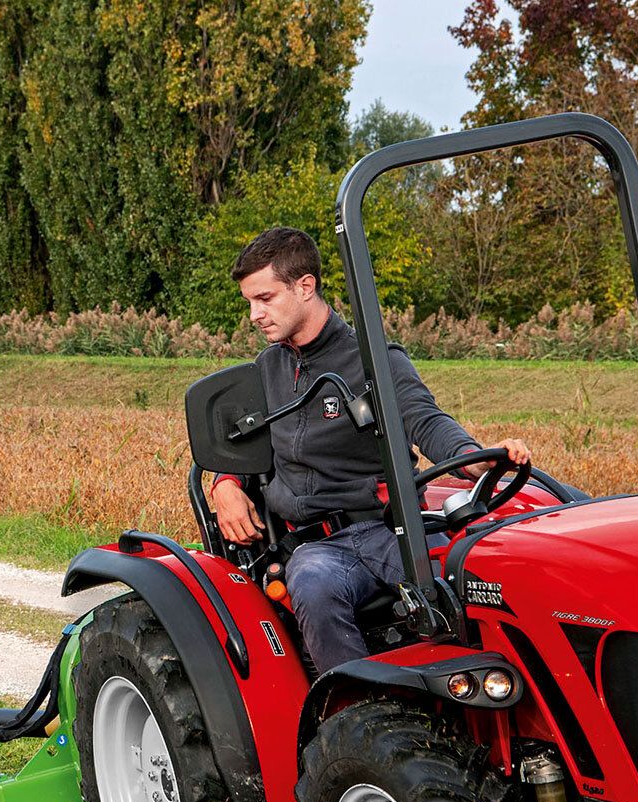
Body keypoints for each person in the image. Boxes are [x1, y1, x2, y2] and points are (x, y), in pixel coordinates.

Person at [210, 227, 531, 673]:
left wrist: (469, 456)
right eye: (249, 302)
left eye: (264, 298)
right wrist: (224, 484)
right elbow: (245, 446)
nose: (254, 314)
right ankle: (354, 717)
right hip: (315, 546)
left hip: (387, 530)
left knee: (470, 590)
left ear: (305, 286)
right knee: (316, 585)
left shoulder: (374, 359)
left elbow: (423, 418)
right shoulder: (266, 369)